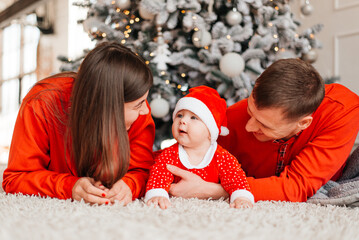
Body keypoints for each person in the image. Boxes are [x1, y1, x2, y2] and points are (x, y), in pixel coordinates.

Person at [165, 58, 359, 202]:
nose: (249, 126)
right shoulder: (233, 118)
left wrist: (215, 190)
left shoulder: (342, 110)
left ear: (303, 123)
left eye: (264, 125)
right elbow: (180, 159)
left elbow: (297, 186)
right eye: (250, 111)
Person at [2, 42, 155, 205]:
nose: (146, 110)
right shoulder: (42, 102)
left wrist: (129, 185)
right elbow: (16, 178)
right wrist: (70, 186)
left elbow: (144, 171)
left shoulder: (139, 111)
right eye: (138, 104)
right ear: (107, 107)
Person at [145, 86, 254, 209]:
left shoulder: (222, 157)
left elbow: (236, 179)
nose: (183, 121)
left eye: (193, 117)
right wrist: (157, 194)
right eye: (180, 115)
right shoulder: (170, 154)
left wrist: (241, 197)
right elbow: (159, 174)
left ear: (210, 131)